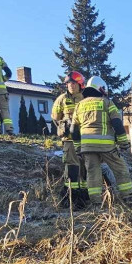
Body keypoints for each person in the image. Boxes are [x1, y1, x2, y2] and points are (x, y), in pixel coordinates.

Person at [71, 77, 132, 205]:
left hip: (87, 147)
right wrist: (123, 143)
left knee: (92, 173)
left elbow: (74, 130)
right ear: (101, 88)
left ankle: (96, 203)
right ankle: (128, 198)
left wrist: (78, 147)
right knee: (120, 169)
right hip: (106, 146)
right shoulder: (106, 102)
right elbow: (117, 123)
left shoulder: (79, 106)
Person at [51, 70, 87, 206]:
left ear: (80, 84)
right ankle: (71, 197)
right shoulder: (61, 99)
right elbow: (55, 117)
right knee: (72, 166)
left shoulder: (85, 98)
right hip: (70, 139)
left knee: (84, 166)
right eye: (69, 83)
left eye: (74, 83)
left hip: (85, 139)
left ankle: (84, 194)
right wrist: (63, 127)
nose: (71, 85)